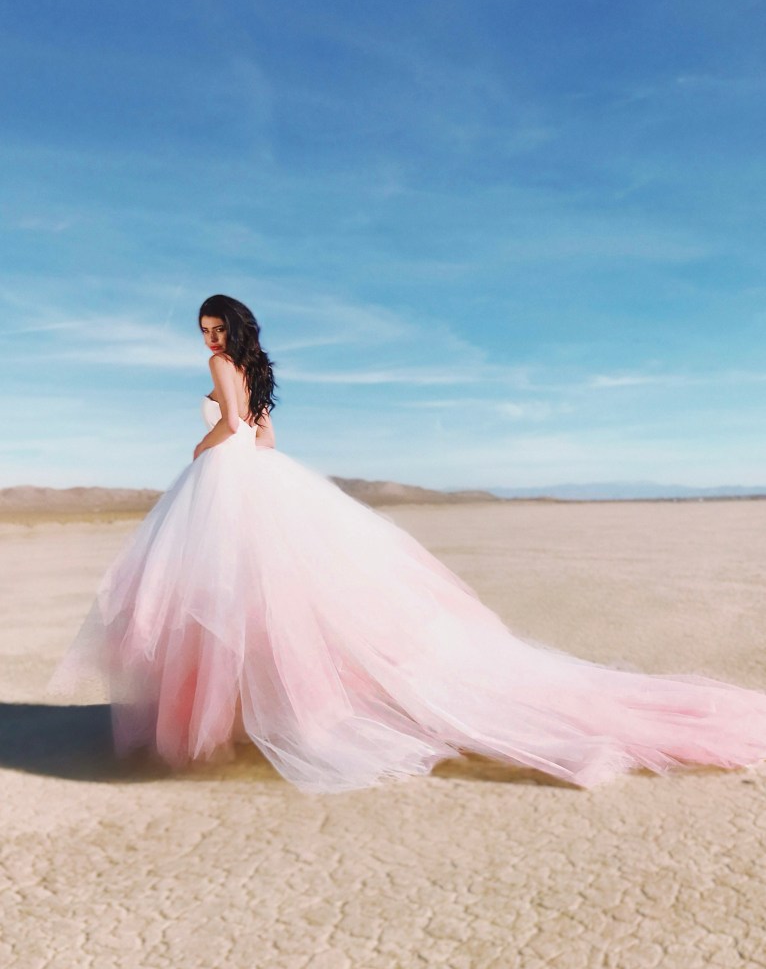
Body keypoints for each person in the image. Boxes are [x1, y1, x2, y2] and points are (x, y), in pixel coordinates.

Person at [47, 295, 766, 793]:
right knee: (276, 602)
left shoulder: (220, 372)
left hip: (227, 479)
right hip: (265, 479)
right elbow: (267, 435)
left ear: (229, 330)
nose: (207, 341)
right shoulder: (260, 371)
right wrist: (234, 440)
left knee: (226, 600)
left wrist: (198, 445)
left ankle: (244, 725)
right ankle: (263, 716)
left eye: (213, 329)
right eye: (203, 332)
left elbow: (235, 428)